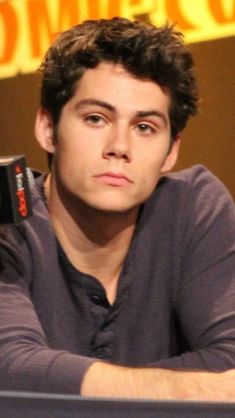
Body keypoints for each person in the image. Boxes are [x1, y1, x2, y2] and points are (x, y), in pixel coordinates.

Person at [0, 16, 235, 401]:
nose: (119, 146)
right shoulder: (9, 218)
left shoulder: (193, 207)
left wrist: (64, 383)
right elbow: (9, 366)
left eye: (145, 127)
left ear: (171, 150)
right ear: (47, 128)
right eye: (96, 118)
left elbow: (231, 360)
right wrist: (189, 387)